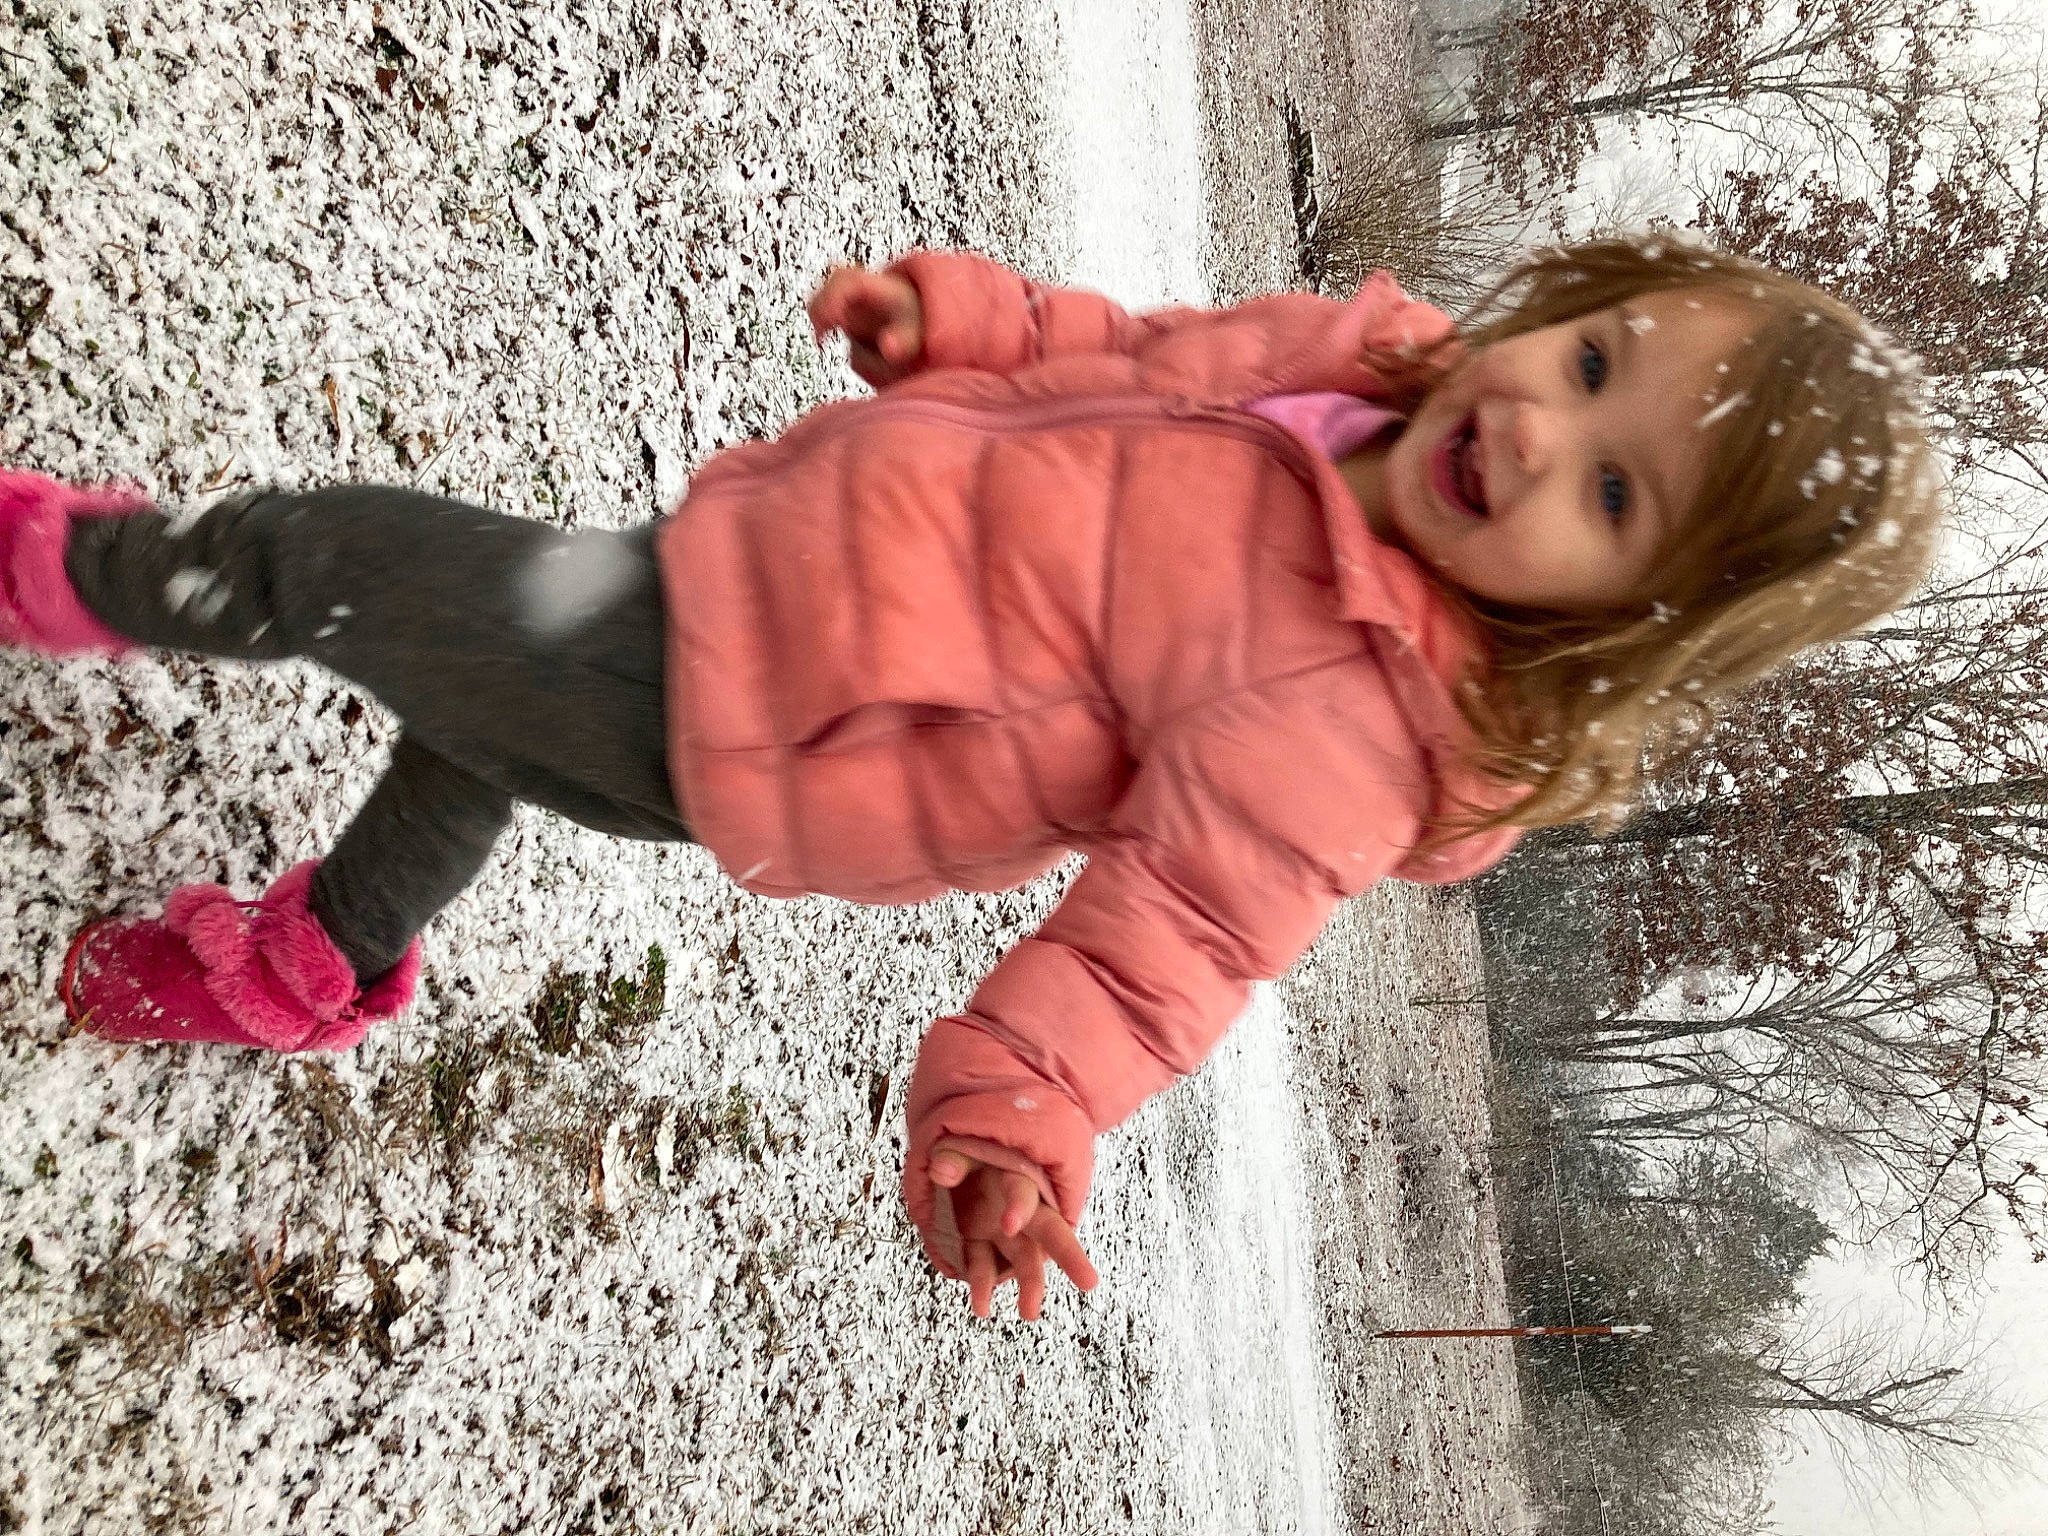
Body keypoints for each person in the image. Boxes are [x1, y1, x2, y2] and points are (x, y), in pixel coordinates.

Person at [0, 235, 1941, 1320]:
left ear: (1632, 624)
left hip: (760, 716)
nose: (1532, 434)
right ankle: (315, 960)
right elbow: (1145, 356)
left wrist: (1023, 1111)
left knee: (339, 560)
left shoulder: (1355, 726)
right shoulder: (1367, 367)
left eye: (1613, 495)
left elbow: (1164, 949)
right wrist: (978, 329)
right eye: (1590, 365)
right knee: (467, 716)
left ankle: (58, 574)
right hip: (760, 569)